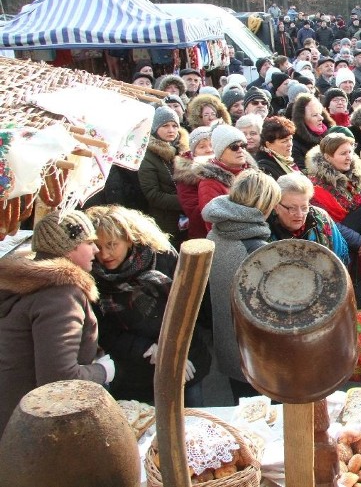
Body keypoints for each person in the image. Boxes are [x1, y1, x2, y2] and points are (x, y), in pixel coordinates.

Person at [0, 211, 114, 434]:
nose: (96, 250)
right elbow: (58, 378)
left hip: (16, 421)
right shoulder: (61, 295)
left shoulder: (34, 286)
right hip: (34, 432)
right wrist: (102, 372)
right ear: (69, 247)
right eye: (89, 242)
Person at [86, 205, 209, 405]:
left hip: (185, 360)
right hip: (134, 372)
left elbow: (189, 308)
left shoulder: (161, 256)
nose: (105, 255)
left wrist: (173, 354)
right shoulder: (92, 276)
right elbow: (105, 331)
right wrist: (148, 349)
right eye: (98, 247)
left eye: (111, 244)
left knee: (193, 421)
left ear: (129, 238)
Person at [203, 170, 280, 402]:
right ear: (263, 204)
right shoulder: (255, 250)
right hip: (260, 357)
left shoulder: (216, 233)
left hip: (229, 347)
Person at [305, 132, 361, 259]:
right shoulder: (315, 187)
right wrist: (359, 241)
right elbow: (326, 221)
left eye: (350, 152)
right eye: (343, 153)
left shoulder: (360, 177)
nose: (349, 157)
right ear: (328, 157)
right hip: (341, 249)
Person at [270, 173, 350, 263]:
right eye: (292, 208)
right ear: (276, 206)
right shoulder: (267, 229)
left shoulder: (321, 218)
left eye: (304, 207)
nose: (300, 214)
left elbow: (340, 258)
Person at [138, 106, 188, 243]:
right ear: (154, 128)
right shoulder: (147, 156)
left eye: (174, 125)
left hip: (188, 218)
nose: (171, 130)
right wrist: (186, 201)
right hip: (165, 222)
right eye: (165, 125)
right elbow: (153, 195)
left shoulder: (184, 151)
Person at [197, 124, 256, 229]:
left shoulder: (254, 174)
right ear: (220, 153)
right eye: (234, 147)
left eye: (243, 146)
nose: (240, 150)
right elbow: (214, 224)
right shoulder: (209, 184)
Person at [291, 93, 335, 169]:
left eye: (320, 114)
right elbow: (303, 171)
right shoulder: (295, 144)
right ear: (302, 120)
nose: (321, 118)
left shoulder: (332, 135)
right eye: (314, 115)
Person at [255, 116, 300, 180]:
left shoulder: (287, 161)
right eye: (284, 141)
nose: (290, 144)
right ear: (268, 144)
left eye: (291, 139)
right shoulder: (264, 169)